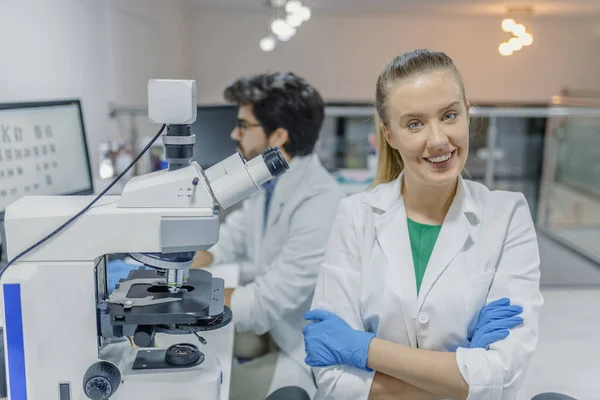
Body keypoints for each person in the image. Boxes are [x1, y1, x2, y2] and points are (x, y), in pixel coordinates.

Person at [302, 49, 544, 399]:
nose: (438, 140)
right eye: (414, 124)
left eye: (449, 115)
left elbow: (503, 375)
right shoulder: (355, 215)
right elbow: (332, 380)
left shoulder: (507, 215)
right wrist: (464, 375)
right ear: (389, 135)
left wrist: (364, 350)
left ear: (466, 113)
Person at [191, 72, 345, 400]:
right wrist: (184, 264)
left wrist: (188, 297)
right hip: (276, 329)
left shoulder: (320, 203)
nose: (235, 133)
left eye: (244, 126)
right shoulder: (268, 182)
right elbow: (232, 237)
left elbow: (265, 301)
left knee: (199, 390)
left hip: (301, 349)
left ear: (278, 135)